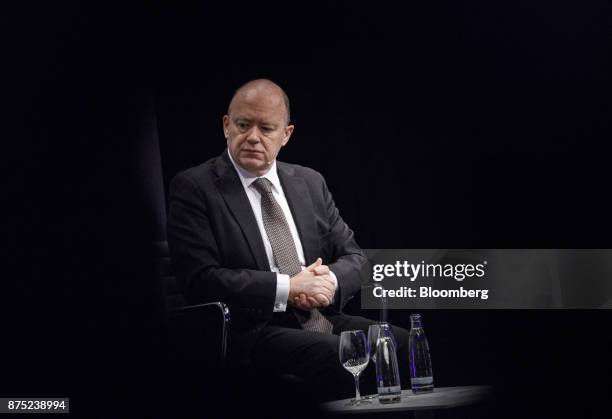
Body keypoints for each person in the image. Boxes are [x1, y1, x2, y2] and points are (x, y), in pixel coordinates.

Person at [167, 79, 410, 402]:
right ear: (227, 126)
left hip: (318, 318)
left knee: (401, 342)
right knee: (341, 355)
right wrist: (290, 288)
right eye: (243, 125)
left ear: (286, 134)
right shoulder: (195, 187)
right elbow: (200, 279)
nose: (253, 137)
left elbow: (355, 257)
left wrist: (329, 282)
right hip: (250, 328)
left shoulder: (309, 182)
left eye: (266, 128)